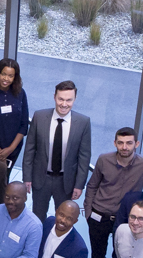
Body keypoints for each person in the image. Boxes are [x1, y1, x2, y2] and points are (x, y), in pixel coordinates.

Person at [84, 127, 143, 258]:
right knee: (98, 255)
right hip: (99, 215)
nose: (124, 147)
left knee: (120, 257)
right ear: (115, 143)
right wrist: (88, 212)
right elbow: (92, 185)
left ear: (136, 143)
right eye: (121, 143)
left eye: (129, 143)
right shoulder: (104, 159)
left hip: (124, 220)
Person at [23, 80, 92, 223]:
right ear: (54, 96)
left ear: (75, 99)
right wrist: (27, 177)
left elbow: (84, 157)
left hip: (65, 182)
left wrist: (79, 185)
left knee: (63, 220)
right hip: (41, 179)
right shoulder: (39, 117)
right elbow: (30, 149)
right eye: (61, 99)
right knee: (37, 219)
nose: (64, 104)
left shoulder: (83, 122)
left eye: (69, 100)